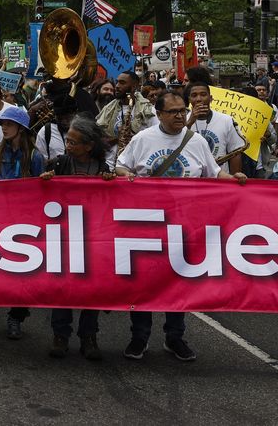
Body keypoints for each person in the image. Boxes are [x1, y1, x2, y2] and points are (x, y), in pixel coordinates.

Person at [115, 91, 247, 362]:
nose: (179, 116)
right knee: (145, 283)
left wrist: (234, 179)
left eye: (181, 111)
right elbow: (120, 165)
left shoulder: (196, 141)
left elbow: (214, 173)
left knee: (178, 282)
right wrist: (128, 176)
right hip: (147, 225)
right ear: (159, 114)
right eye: (172, 111)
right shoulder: (143, 139)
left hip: (185, 225)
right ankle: (139, 338)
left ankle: (175, 337)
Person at [40, 115, 115, 359]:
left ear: (89, 146)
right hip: (62, 234)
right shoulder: (59, 163)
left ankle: (88, 336)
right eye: (68, 141)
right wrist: (44, 182)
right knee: (62, 287)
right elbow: (39, 195)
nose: (68, 146)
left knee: (91, 289)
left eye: (73, 142)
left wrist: (112, 183)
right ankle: (60, 335)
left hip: (94, 236)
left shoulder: (103, 169)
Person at [0, 105, 43, 340]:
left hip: (24, 224)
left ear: (21, 129)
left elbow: (39, 193)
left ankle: (16, 317)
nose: (3, 127)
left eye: (9, 124)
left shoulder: (35, 157)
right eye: (2, 123)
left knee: (22, 274)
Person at [184, 81, 247, 174]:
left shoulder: (226, 120)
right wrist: (189, 122)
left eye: (203, 94)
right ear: (189, 100)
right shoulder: (182, 121)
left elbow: (235, 153)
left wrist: (233, 182)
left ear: (210, 98)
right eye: (194, 95)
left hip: (220, 178)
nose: (199, 99)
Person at [96, 71, 155, 168]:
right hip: (110, 167)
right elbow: (98, 141)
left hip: (137, 167)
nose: (117, 86)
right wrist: (117, 138)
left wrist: (134, 137)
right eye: (117, 82)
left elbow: (156, 138)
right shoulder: (108, 110)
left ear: (134, 86)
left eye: (122, 83)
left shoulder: (148, 111)